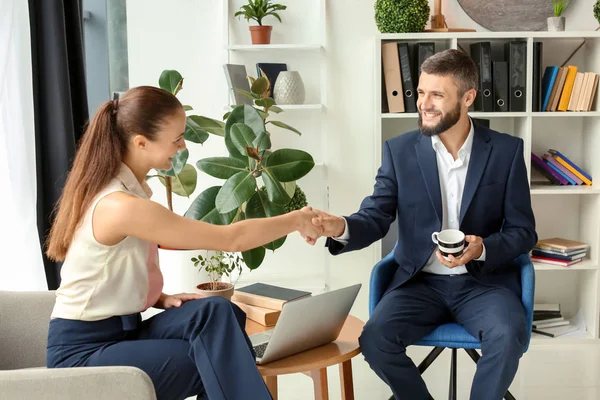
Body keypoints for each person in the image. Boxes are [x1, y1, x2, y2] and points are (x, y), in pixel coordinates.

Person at [45, 86, 322, 400]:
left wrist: (161, 298)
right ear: (140, 142)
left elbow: (108, 269)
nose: (182, 145)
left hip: (124, 330)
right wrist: (296, 219)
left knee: (219, 312)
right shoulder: (120, 205)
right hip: (83, 354)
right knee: (216, 362)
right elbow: (231, 239)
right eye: (176, 138)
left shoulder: (127, 191)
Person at [306, 49, 537, 400]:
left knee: (508, 336)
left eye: (437, 95)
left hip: (483, 285)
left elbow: (524, 232)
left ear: (468, 97)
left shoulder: (505, 152)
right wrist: (340, 226)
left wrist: (484, 247)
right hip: (420, 283)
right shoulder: (399, 152)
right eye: (421, 92)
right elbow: (376, 216)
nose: (423, 104)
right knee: (374, 338)